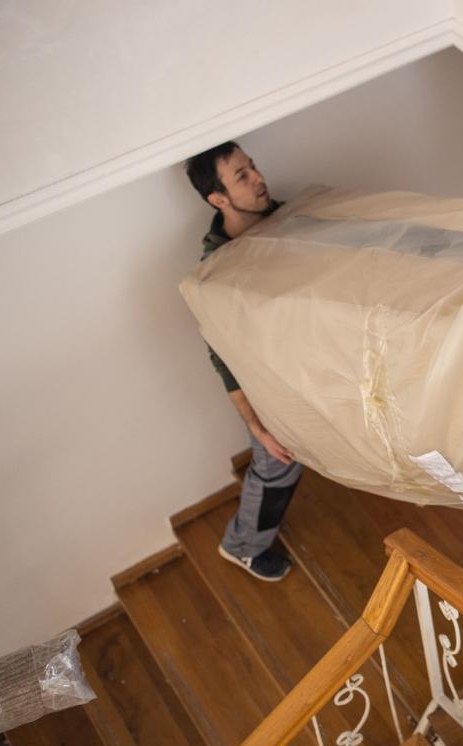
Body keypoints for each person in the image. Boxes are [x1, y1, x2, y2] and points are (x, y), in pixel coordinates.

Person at [184, 141, 299, 582]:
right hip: (270, 384)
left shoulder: (291, 219)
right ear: (218, 199)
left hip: (312, 363)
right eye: (241, 177)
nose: (258, 179)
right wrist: (256, 425)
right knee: (277, 462)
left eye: (253, 166)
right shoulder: (216, 272)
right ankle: (243, 547)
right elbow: (223, 356)